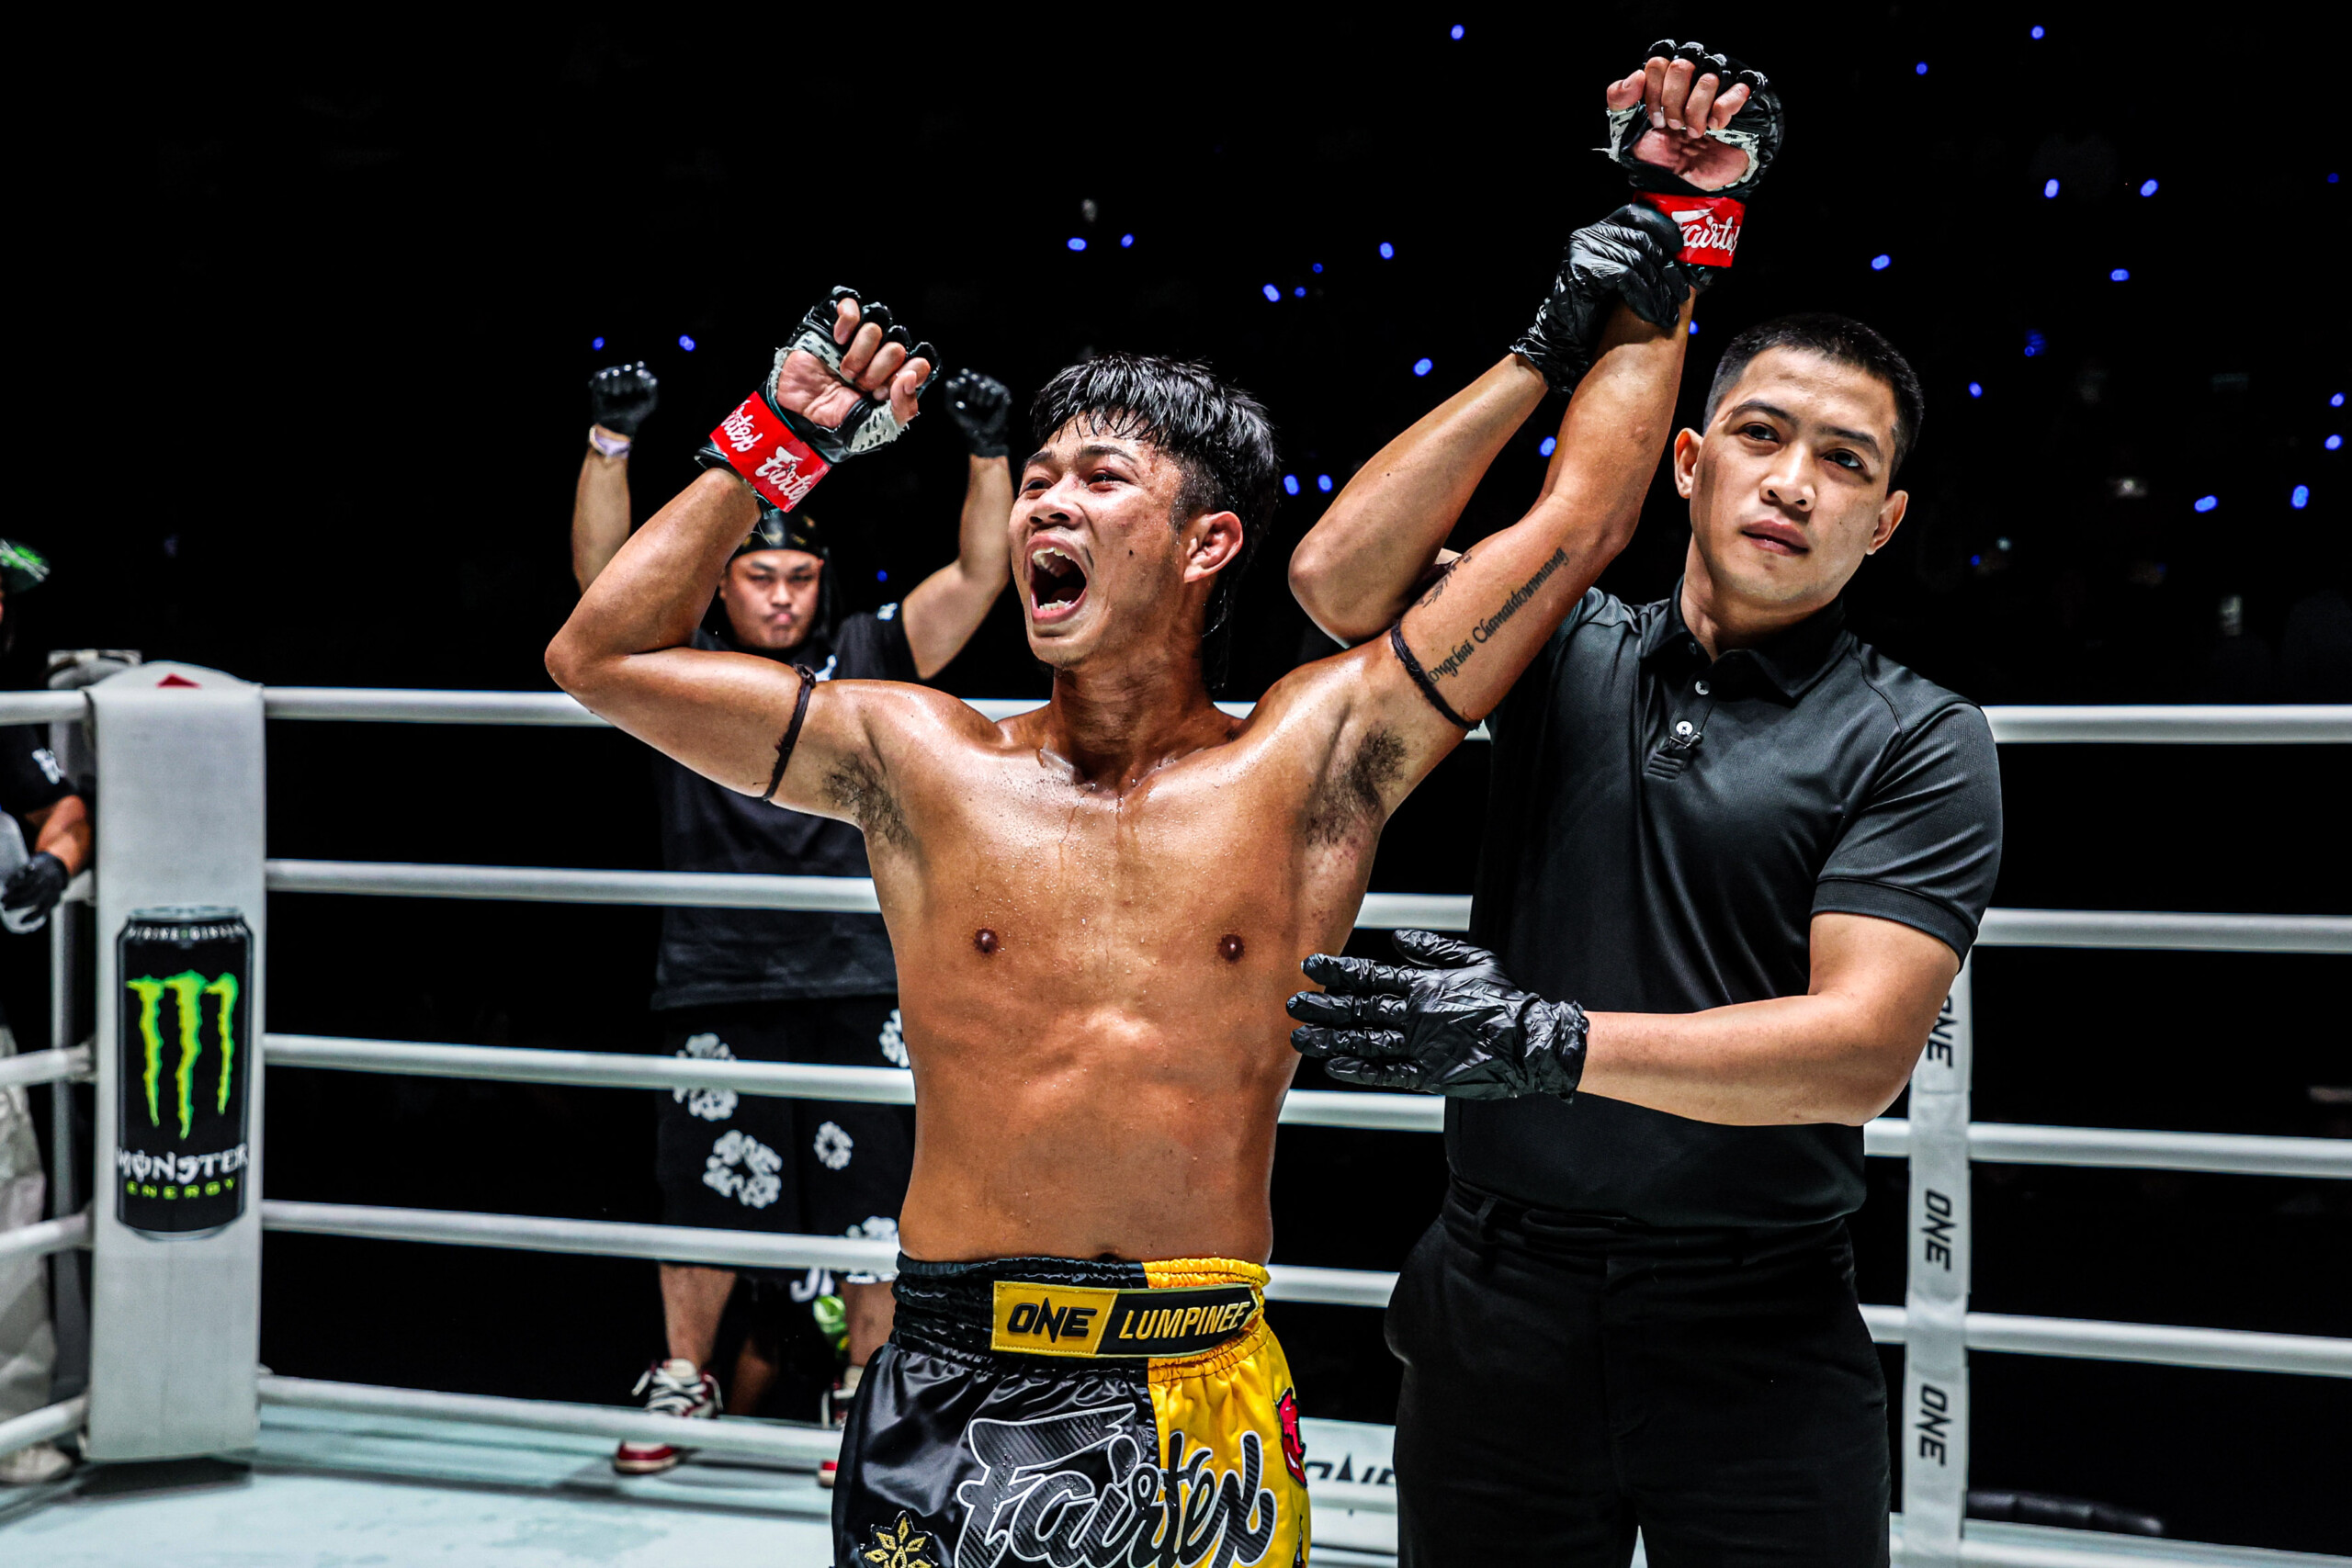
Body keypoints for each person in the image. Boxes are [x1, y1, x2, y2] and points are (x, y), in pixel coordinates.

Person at [546, 102, 1704, 1554]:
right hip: (954, 1375)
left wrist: (1671, 253)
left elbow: (1583, 520)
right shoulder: (918, 750)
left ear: (1207, 541)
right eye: (1038, 477)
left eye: (1101, 479)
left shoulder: (1310, 761)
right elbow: (602, 657)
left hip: (1199, 1379)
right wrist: (778, 438)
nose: (1048, 499)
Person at [1281, 51, 2000, 1566]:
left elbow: (1861, 1046)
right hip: (1499, 1299)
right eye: (1762, 433)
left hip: (1757, 1320)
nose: (1795, 479)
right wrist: (1548, 345)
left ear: (1889, 520)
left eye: (1845, 460)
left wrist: (1546, 1042)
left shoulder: (1919, 735)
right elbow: (1339, 584)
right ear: (1686, 459)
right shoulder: (1563, 645)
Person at [569, 356, 1017, 1476]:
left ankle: (864, 1392)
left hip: (860, 967)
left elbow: (976, 573)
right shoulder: (681, 666)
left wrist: (989, 451)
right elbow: (601, 588)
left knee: (873, 1190)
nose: (779, 595)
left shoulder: (866, 652)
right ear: (722, 583)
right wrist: (607, 444)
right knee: (701, 1183)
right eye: (757, 573)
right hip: (718, 966)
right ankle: (684, 1376)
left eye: (797, 576)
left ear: (822, 582)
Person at [0, 539, 92, 1487]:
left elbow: (60, 810)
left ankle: (17, 1428)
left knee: (11, 1208)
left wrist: (52, 866)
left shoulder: (5, 716)